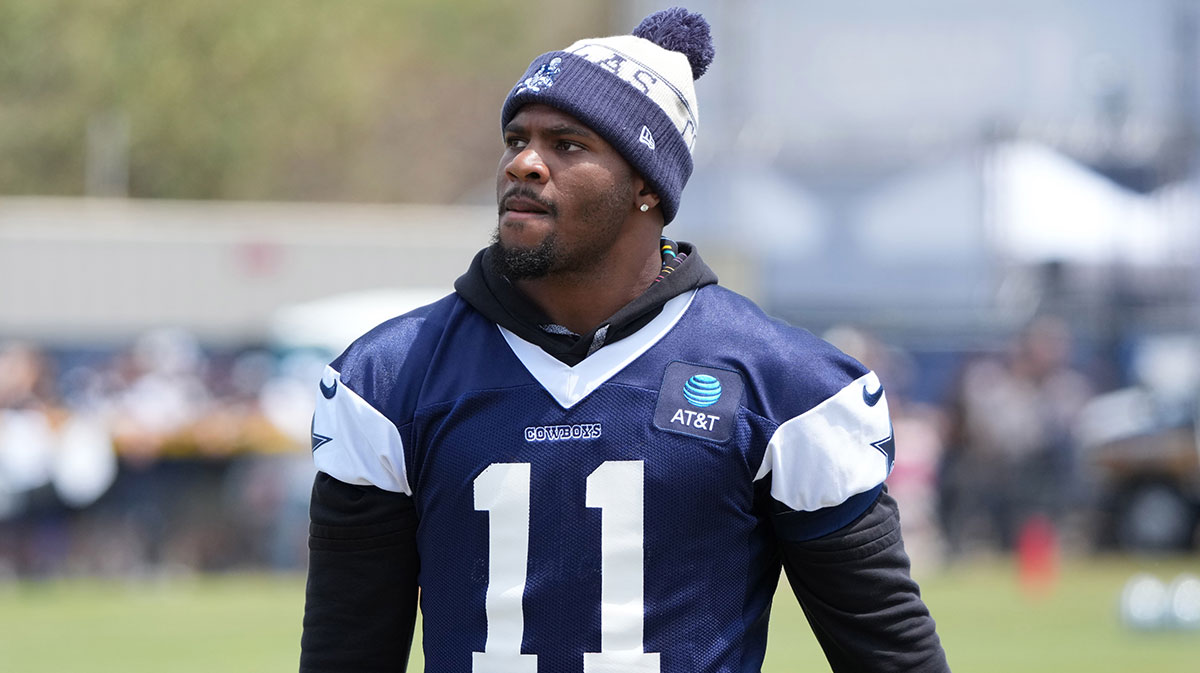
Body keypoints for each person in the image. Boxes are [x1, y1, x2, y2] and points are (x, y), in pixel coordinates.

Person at [301, 8, 948, 673]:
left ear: (645, 184)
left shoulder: (782, 385)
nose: (525, 162)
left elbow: (892, 656)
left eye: (567, 144)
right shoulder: (391, 378)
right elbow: (345, 651)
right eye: (516, 138)